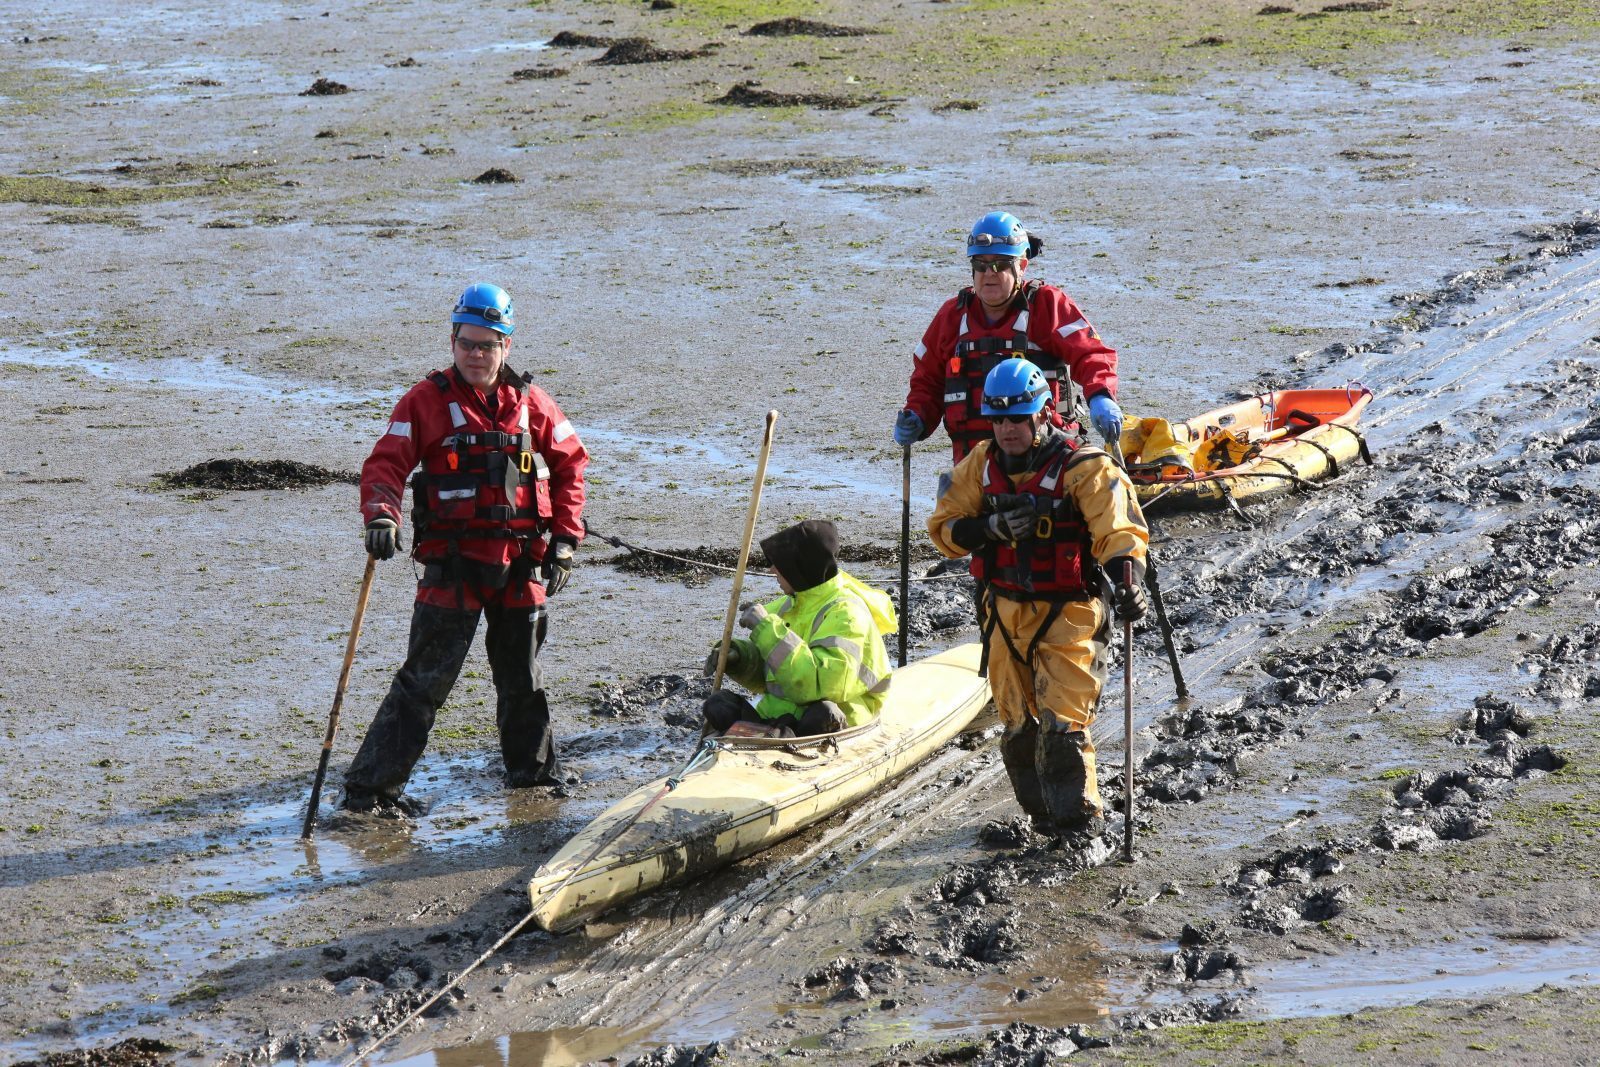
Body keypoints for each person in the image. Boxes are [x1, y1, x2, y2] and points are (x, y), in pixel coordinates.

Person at [342, 282, 588, 813]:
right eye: (467, 343)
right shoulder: (425, 401)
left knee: (523, 679)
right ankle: (369, 792)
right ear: (452, 342)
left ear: (507, 346)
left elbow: (571, 465)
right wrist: (382, 515)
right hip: (452, 567)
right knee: (424, 683)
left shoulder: (533, 404)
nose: (477, 354)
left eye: (488, 344)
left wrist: (566, 539)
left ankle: (534, 780)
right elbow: (385, 464)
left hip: (521, 564)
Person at [927, 358, 1149, 834]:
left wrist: (1129, 583)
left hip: (1069, 613)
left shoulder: (1084, 468)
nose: (1007, 428)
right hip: (1004, 615)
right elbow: (943, 527)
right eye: (999, 418)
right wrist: (988, 527)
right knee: (1019, 731)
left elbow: (1120, 531)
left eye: (1018, 417)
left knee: (1063, 730)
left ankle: (1079, 828)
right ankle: (1043, 819)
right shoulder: (979, 467)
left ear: (1043, 414)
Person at [893, 210, 1124, 464]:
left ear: (1022, 266)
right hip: (973, 466)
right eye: (980, 265)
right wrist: (917, 414)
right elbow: (927, 380)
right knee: (953, 501)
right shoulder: (952, 317)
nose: (989, 273)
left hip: (1049, 463)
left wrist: (1100, 396)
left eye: (1000, 265)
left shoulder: (1047, 305)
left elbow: (1091, 354)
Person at [701, 520, 897, 737]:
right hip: (780, 715)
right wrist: (738, 657)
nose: (772, 569)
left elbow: (821, 685)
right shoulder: (787, 605)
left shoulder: (847, 613)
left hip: (832, 721)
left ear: (800, 567)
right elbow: (775, 674)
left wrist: (767, 629)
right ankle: (770, 737)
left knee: (824, 712)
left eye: (780, 564)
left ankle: (777, 742)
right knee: (718, 704)